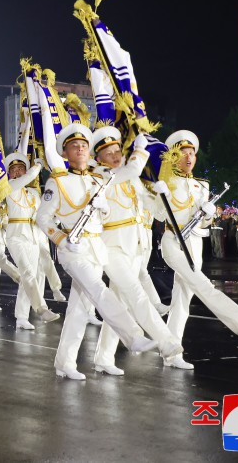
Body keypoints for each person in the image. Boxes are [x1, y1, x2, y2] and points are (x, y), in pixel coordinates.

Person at [36, 124, 158, 380]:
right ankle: (133, 336)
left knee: (79, 310)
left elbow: (107, 212)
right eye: (73, 147)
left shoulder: (98, 179)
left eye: (83, 146)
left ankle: (65, 362)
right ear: (66, 153)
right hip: (73, 250)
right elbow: (42, 219)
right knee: (99, 292)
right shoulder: (57, 181)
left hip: (96, 249)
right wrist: (61, 239)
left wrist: (103, 209)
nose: (80, 149)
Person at [151, 130, 238, 370]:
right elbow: (158, 215)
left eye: (192, 153)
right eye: (183, 153)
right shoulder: (166, 183)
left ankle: (171, 353)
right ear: (174, 157)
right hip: (174, 242)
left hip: (195, 243)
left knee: (182, 300)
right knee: (203, 286)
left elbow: (204, 223)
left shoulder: (201, 185)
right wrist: (157, 194)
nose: (188, 157)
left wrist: (208, 214)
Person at [89, 127, 183, 376]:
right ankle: (168, 342)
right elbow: (132, 168)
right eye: (108, 153)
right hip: (110, 247)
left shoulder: (130, 179)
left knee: (121, 302)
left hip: (133, 246)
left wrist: (162, 197)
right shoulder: (99, 177)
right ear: (98, 158)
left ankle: (103, 358)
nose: (115, 156)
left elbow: (154, 211)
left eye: (117, 150)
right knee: (136, 294)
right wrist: (140, 148)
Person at [1, 152, 59, 330]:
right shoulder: (9, 186)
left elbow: (42, 212)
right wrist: (38, 166)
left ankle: (22, 317)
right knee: (27, 273)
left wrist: (54, 219)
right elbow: (28, 178)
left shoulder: (33, 193)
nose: (18, 172)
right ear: (10, 174)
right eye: (14, 170)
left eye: (21, 169)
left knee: (33, 276)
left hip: (33, 235)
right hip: (16, 236)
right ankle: (42, 309)